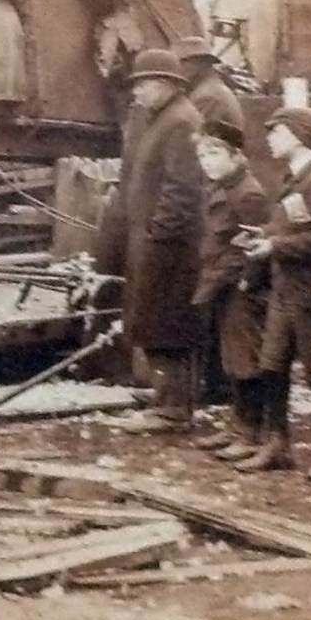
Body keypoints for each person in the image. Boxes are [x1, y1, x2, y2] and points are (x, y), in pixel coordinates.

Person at [95, 49, 204, 431]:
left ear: (167, 85)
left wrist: (158, 234)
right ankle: (168, 394)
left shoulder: (180, 122)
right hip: (153, 239)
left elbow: (183, 188)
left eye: (144, 84)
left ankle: (173, 409)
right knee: (156, 319)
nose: (137, 92)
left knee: (168, 322)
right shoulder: (160, 118)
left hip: (169, 246)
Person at [233, 106, 311, 479]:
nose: (270, 139)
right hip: (285, 289)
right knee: (271, 367)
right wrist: (264, 234)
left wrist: (274, 247)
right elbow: (295, 226)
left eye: (276, 132)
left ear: (297, 135)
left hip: (310, 294)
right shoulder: (295, 177)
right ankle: (277, 445)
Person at [189, 119, 271, 460]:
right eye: (202, 154)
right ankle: (237, 426)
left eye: (213, 153)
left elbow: (246, 248)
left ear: (234, 155)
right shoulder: (218, 186)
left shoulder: (248, 193)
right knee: (229, 358)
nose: (206, 161)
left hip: (242, 287)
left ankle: (251, 433)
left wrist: (232, 282)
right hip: (222, 284)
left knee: (244, 360)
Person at [173, 35, 243, 136]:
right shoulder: (209, 87)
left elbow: (191, 137)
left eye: (182, 61)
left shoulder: (208, 96)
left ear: (199, 62)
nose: (178, 68)